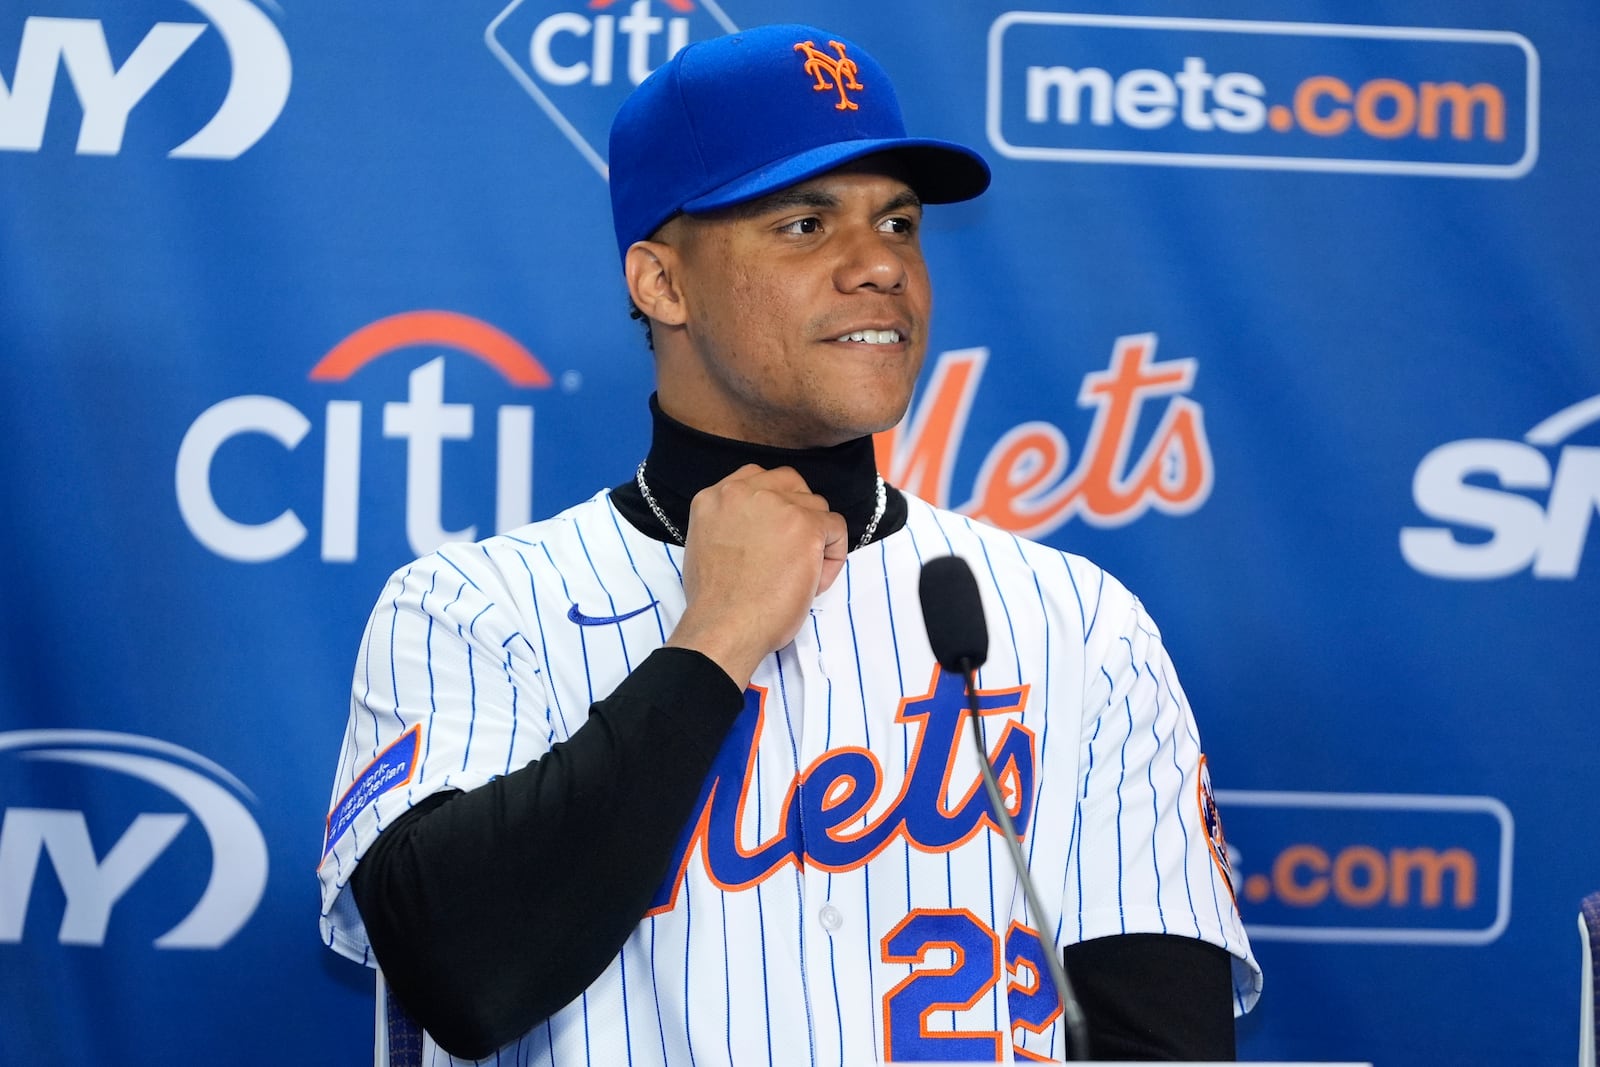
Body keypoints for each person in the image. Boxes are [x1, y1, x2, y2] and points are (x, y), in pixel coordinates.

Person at [318, 22, 1262, 1064]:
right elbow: (460, 972)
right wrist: (712, 637)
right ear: (660, 284)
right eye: (806, 224)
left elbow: (1157, 1038)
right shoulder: (470, 607)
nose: (879, 268)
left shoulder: (1075, 618)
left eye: (898, 223)